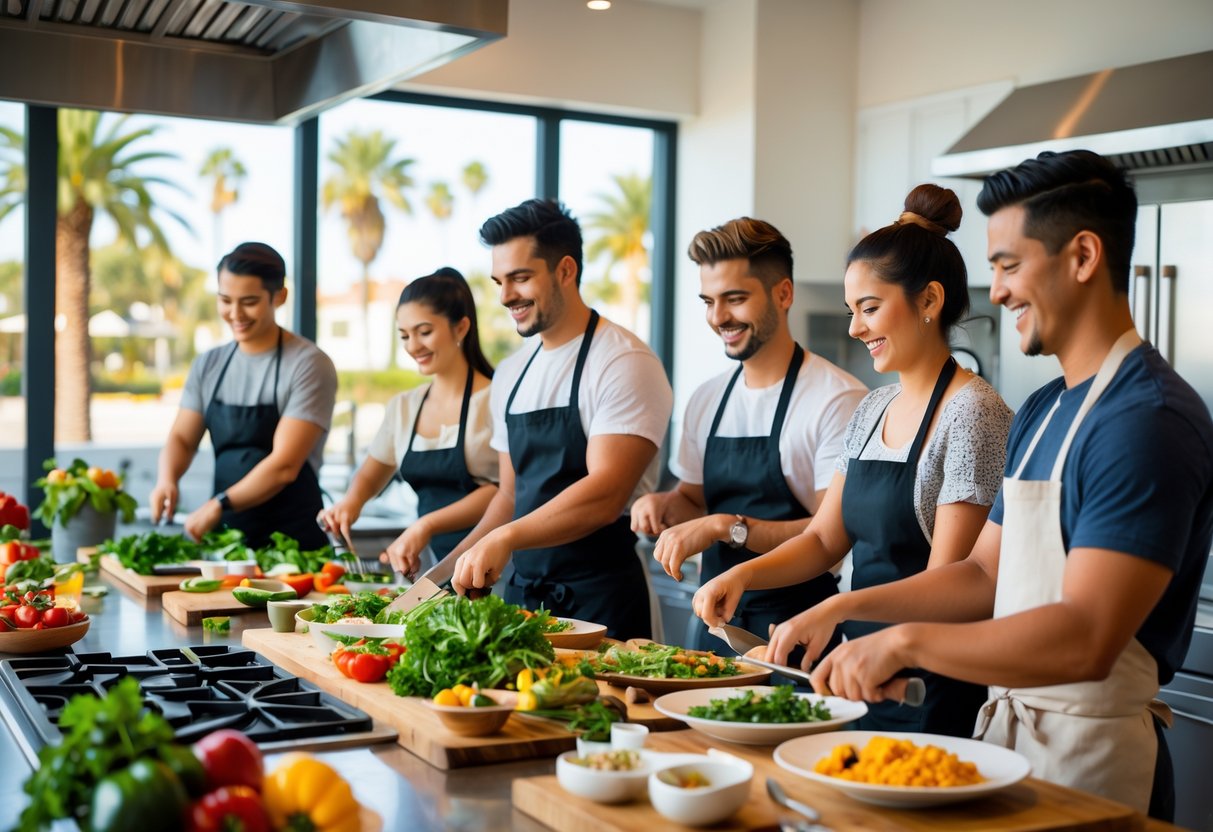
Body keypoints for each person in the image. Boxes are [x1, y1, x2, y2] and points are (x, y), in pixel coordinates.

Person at [801, 151, 1213, 819]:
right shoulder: (1046, 409)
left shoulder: (1146, 422)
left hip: (1095, 765)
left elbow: (1085, 636)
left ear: (1081, 257)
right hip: (1014, 746)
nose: (993, 292)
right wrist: (839, 611)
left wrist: (903, 640)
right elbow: (981, 576)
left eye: (1007, 265)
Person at [694, 185, 1013, 737]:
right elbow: (823, 540)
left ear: (930, 301)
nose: (854, 328)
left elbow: (949, 586)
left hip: (927, 684)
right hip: (855, 674)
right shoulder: (874, 407)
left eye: (869, 309)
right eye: (852, 310)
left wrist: (835, 609)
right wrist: (742, 575)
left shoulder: (974, 413)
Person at [632, 218, 867, 654]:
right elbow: (691, 498)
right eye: (709, 301)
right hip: (714, 628)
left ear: (783, 294)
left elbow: (829, 539)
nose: (719, 317)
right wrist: (663, 507)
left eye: (735, 299)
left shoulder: (837, 399)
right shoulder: (706, 399)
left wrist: (726, 527)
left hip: (797, 633)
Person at [449, 198, 673, 640]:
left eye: (520, 277)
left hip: (601, 603)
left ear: (566, 271)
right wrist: (456, 563)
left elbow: (605, 493)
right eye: (499, 281)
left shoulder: (623, 361)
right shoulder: (512, 372)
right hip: (519, 602)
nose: (505, 295)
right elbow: (510, 494)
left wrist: (506, 539)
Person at [151, 242, 337, 549]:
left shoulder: (309, 364)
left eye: (249, 302)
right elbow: (183, 439)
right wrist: (167, 479)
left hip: (293, 546)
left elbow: (284, 466)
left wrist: (216, 505)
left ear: (280, 297)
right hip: (227, 541)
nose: (235, 313)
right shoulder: (209, 364)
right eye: (225, 300)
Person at [317, 268, 498, 576]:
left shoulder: (496, 399)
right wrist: (350, 503)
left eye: (424, 332)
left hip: (491, 561)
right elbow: (372, 473)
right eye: (404, 336)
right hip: (430, 562)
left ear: (461, 327)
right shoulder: (405, 406)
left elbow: (502, 491)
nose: (413, 346)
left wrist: (425, 525)